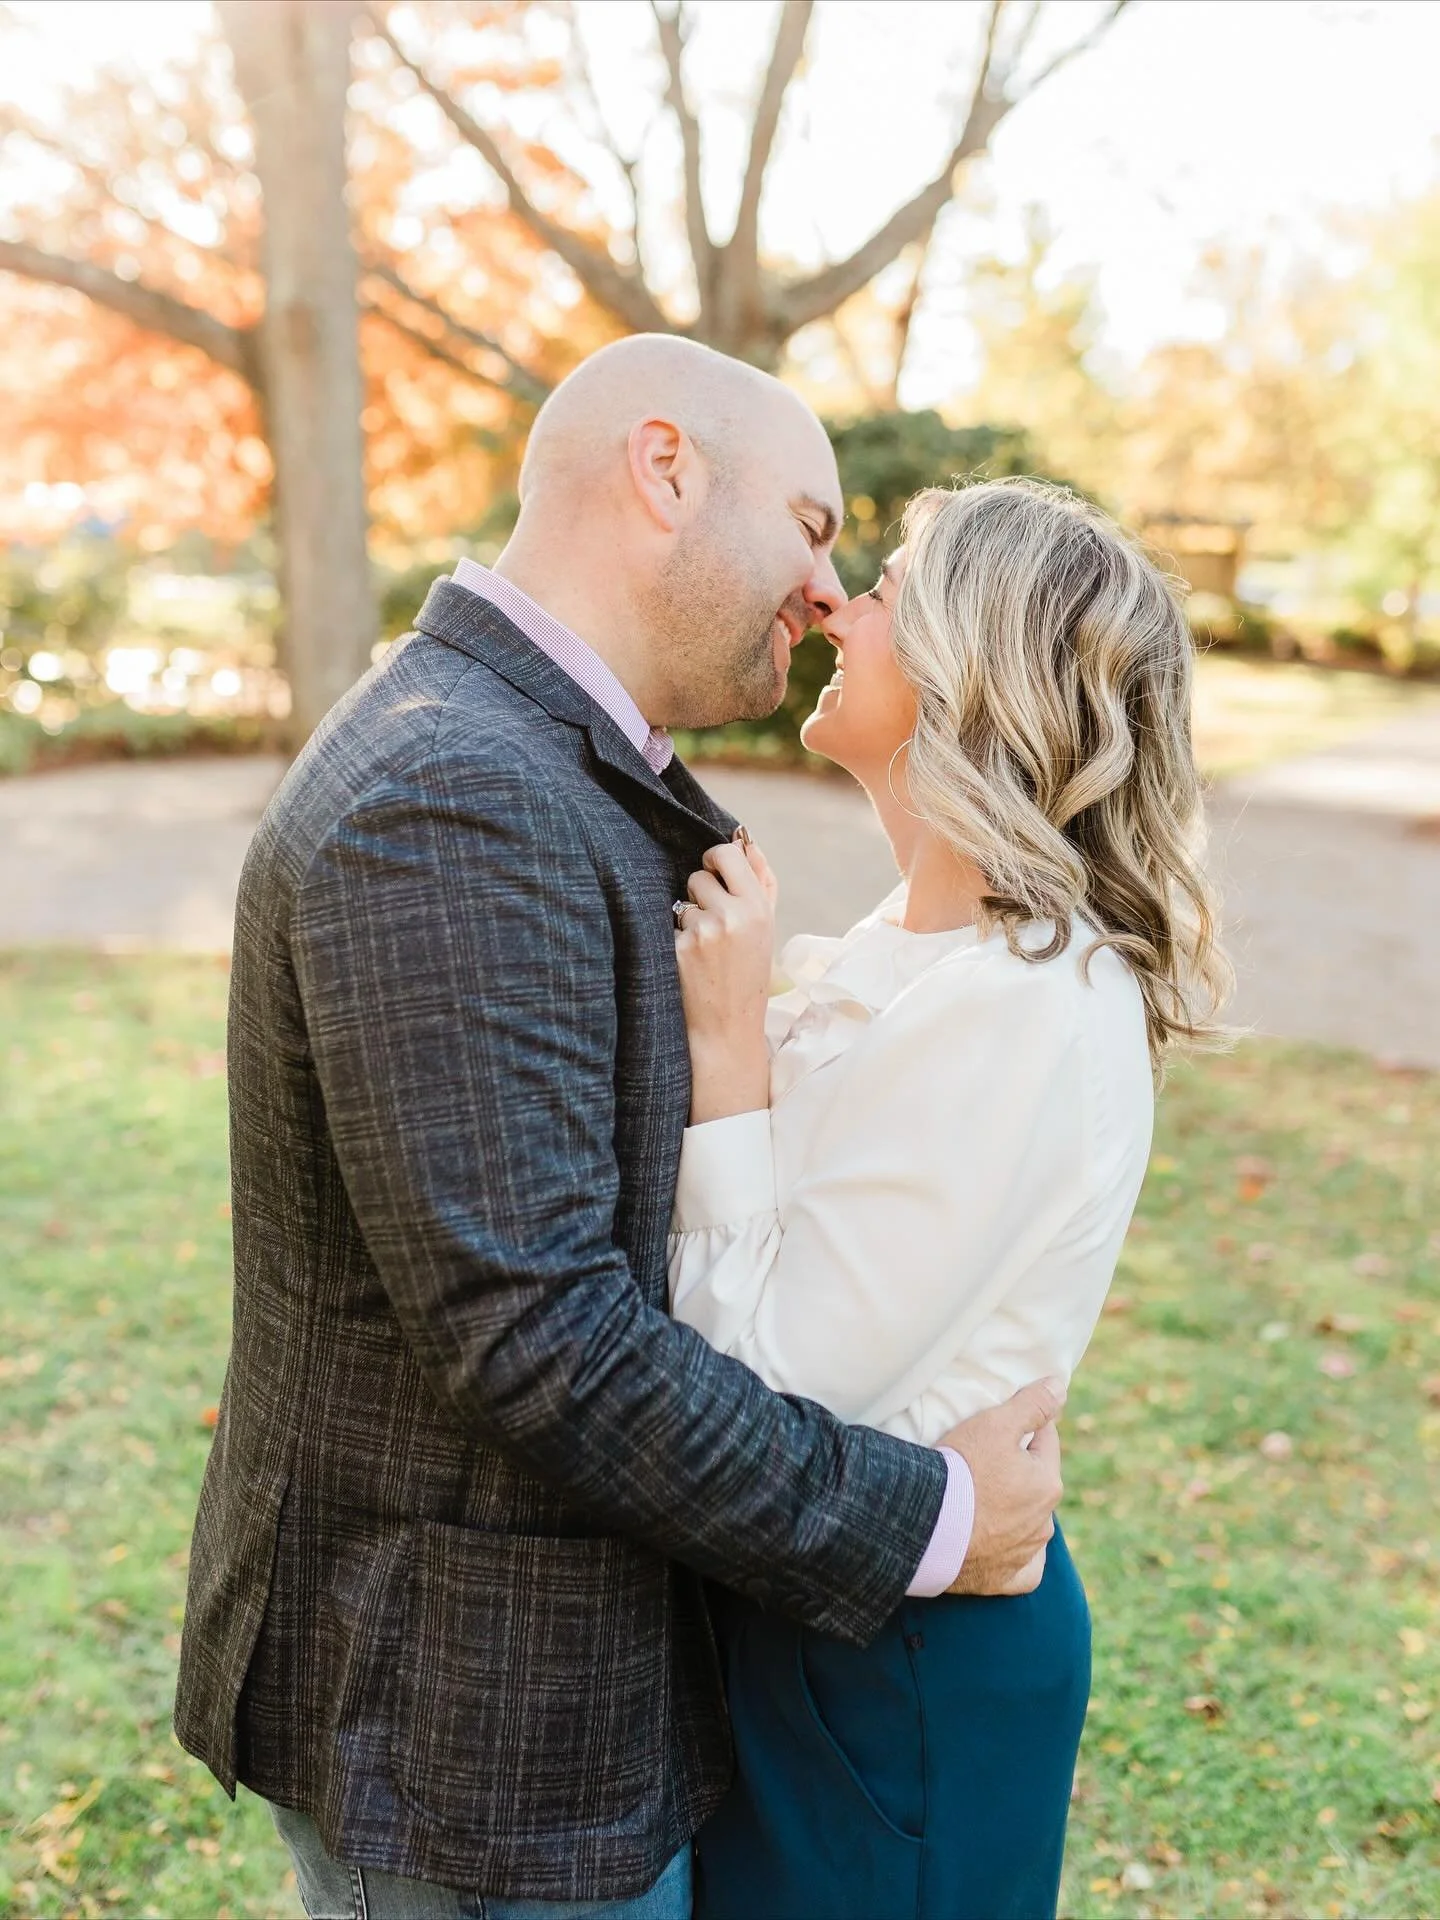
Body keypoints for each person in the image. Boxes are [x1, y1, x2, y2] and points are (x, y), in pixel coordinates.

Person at [173, 338, 1068, 1920]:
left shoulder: (541, 762)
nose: (824, 586)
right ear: (664, 471)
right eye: (809, 521)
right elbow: (542, 1338)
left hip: (560, 1700)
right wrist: (932, 1517)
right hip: (474, 1741)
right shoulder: (450, 796)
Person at [667, 479, 1231, 1920]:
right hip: (831, 1612)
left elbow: (765, 1384)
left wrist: (727, 1053)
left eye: (892, 584)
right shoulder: (916, 952)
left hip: (896, 1671)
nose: (835, 603)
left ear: (975, 663)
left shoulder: (1031, 1003)